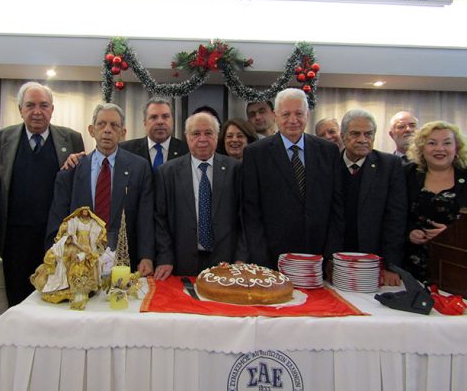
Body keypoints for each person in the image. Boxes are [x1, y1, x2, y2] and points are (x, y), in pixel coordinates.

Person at [0, 81, 84, 306]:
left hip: (56, 238)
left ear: (52, 109)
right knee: (17, 300)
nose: (37, 112)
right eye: (30, 105)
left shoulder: (71, 138)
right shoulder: (1, 138)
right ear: (20, 109)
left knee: (56, 300)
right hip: (15, 238)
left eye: (44, 105)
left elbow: (79, 187)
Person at [46, 103, 155, 276]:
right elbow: (58, 220)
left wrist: (146, 256)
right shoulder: (71, 171)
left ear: (123, 133)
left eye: (114, 125)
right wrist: (55, 257)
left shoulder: (139, 168)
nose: (107, 130)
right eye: (101, 124)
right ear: (91, 130)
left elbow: (145, 217)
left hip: (124, 262)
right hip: (79, 264)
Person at [242, 88, 344, 270]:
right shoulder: (256, 153)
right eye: (286, 114)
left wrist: (331, 256)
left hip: (319, 257)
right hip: (273, 258)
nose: (293, 120)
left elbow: (337, 207)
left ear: (307, 114)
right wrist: (260, 260)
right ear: (275, 116)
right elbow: (251, 213)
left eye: (298, 113)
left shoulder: (328, 151)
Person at [154, 112, 245, 279]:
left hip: (227, 263)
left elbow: (244, 219)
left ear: (217, 136)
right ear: (187, 137)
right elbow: (160, 220)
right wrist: (165, 257)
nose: (202, 139)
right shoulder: (168, 172)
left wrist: (241, 258)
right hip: (181, 262)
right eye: (196, 133)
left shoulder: (235, 170)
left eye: (208, 133)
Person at [339, 109, 406, 286]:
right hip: (337, 261)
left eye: (368, 134)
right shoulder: (329, 164)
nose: (362, 139)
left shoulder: (389, 166)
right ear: (343, 136)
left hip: (375, 262)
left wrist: (391, 265)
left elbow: (396, 219)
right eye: (355, 134)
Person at [404, 120, 467, 281]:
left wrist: (450, 234)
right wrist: (409, 231)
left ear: (457, 148)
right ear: (422, 148)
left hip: (456, 264)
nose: (439, 148)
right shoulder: (408, 174)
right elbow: (395, 213)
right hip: (411, 263)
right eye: (432, 143)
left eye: (447, 143)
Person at [119, 97, 189, 170]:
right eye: (154, 117)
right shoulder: (125, 150)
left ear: (172, 121)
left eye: (165, 117)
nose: (160, 122)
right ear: (145, 123)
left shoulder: (187, 151)